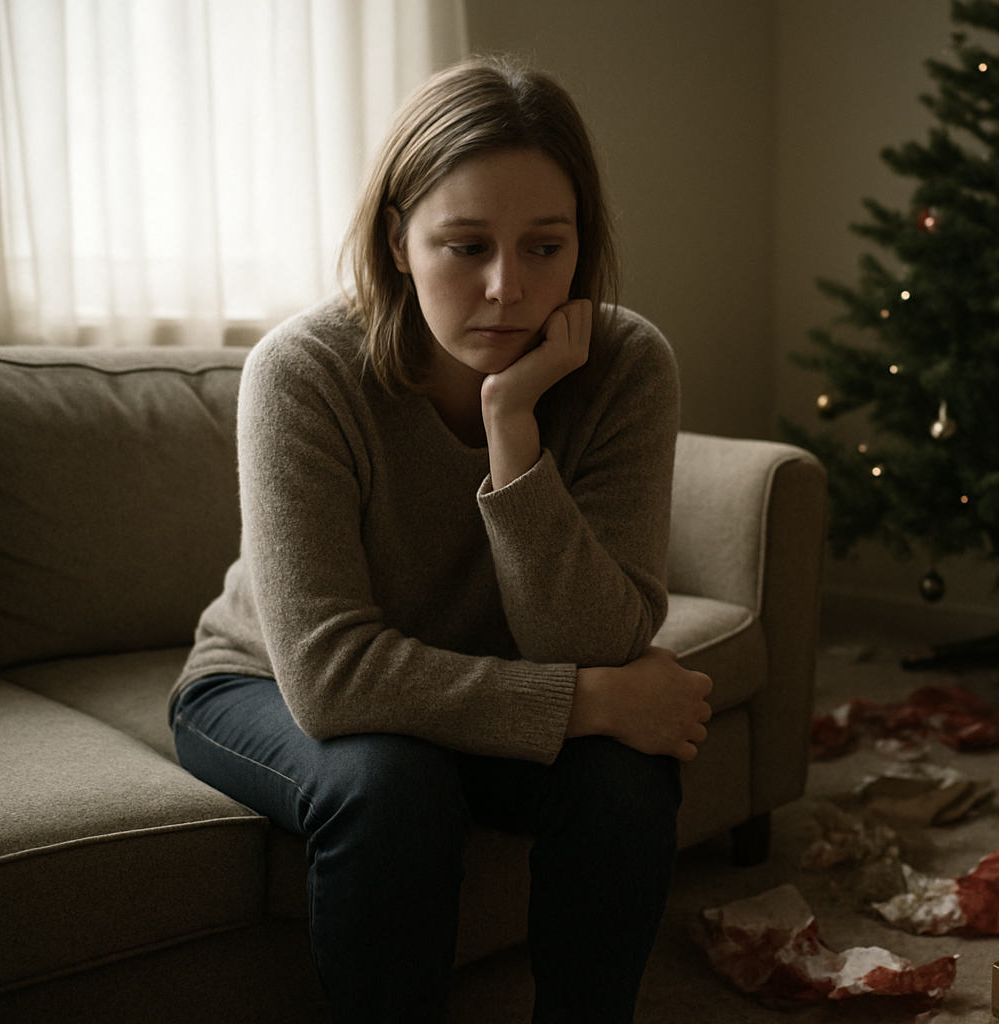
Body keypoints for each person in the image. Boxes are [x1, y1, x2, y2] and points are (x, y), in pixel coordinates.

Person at [169, 55, 713, 1024]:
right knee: (392, 782)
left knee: (628, 778)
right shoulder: (302, 371)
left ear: (583, 244)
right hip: (260, 681)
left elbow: (600, 631)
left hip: (472, 670)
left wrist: (514, 429)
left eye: (546, 247)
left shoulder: (627, 362)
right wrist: (586, 701)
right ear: (398, 240)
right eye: (465, 246)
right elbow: (332, 678)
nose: (509, 288)